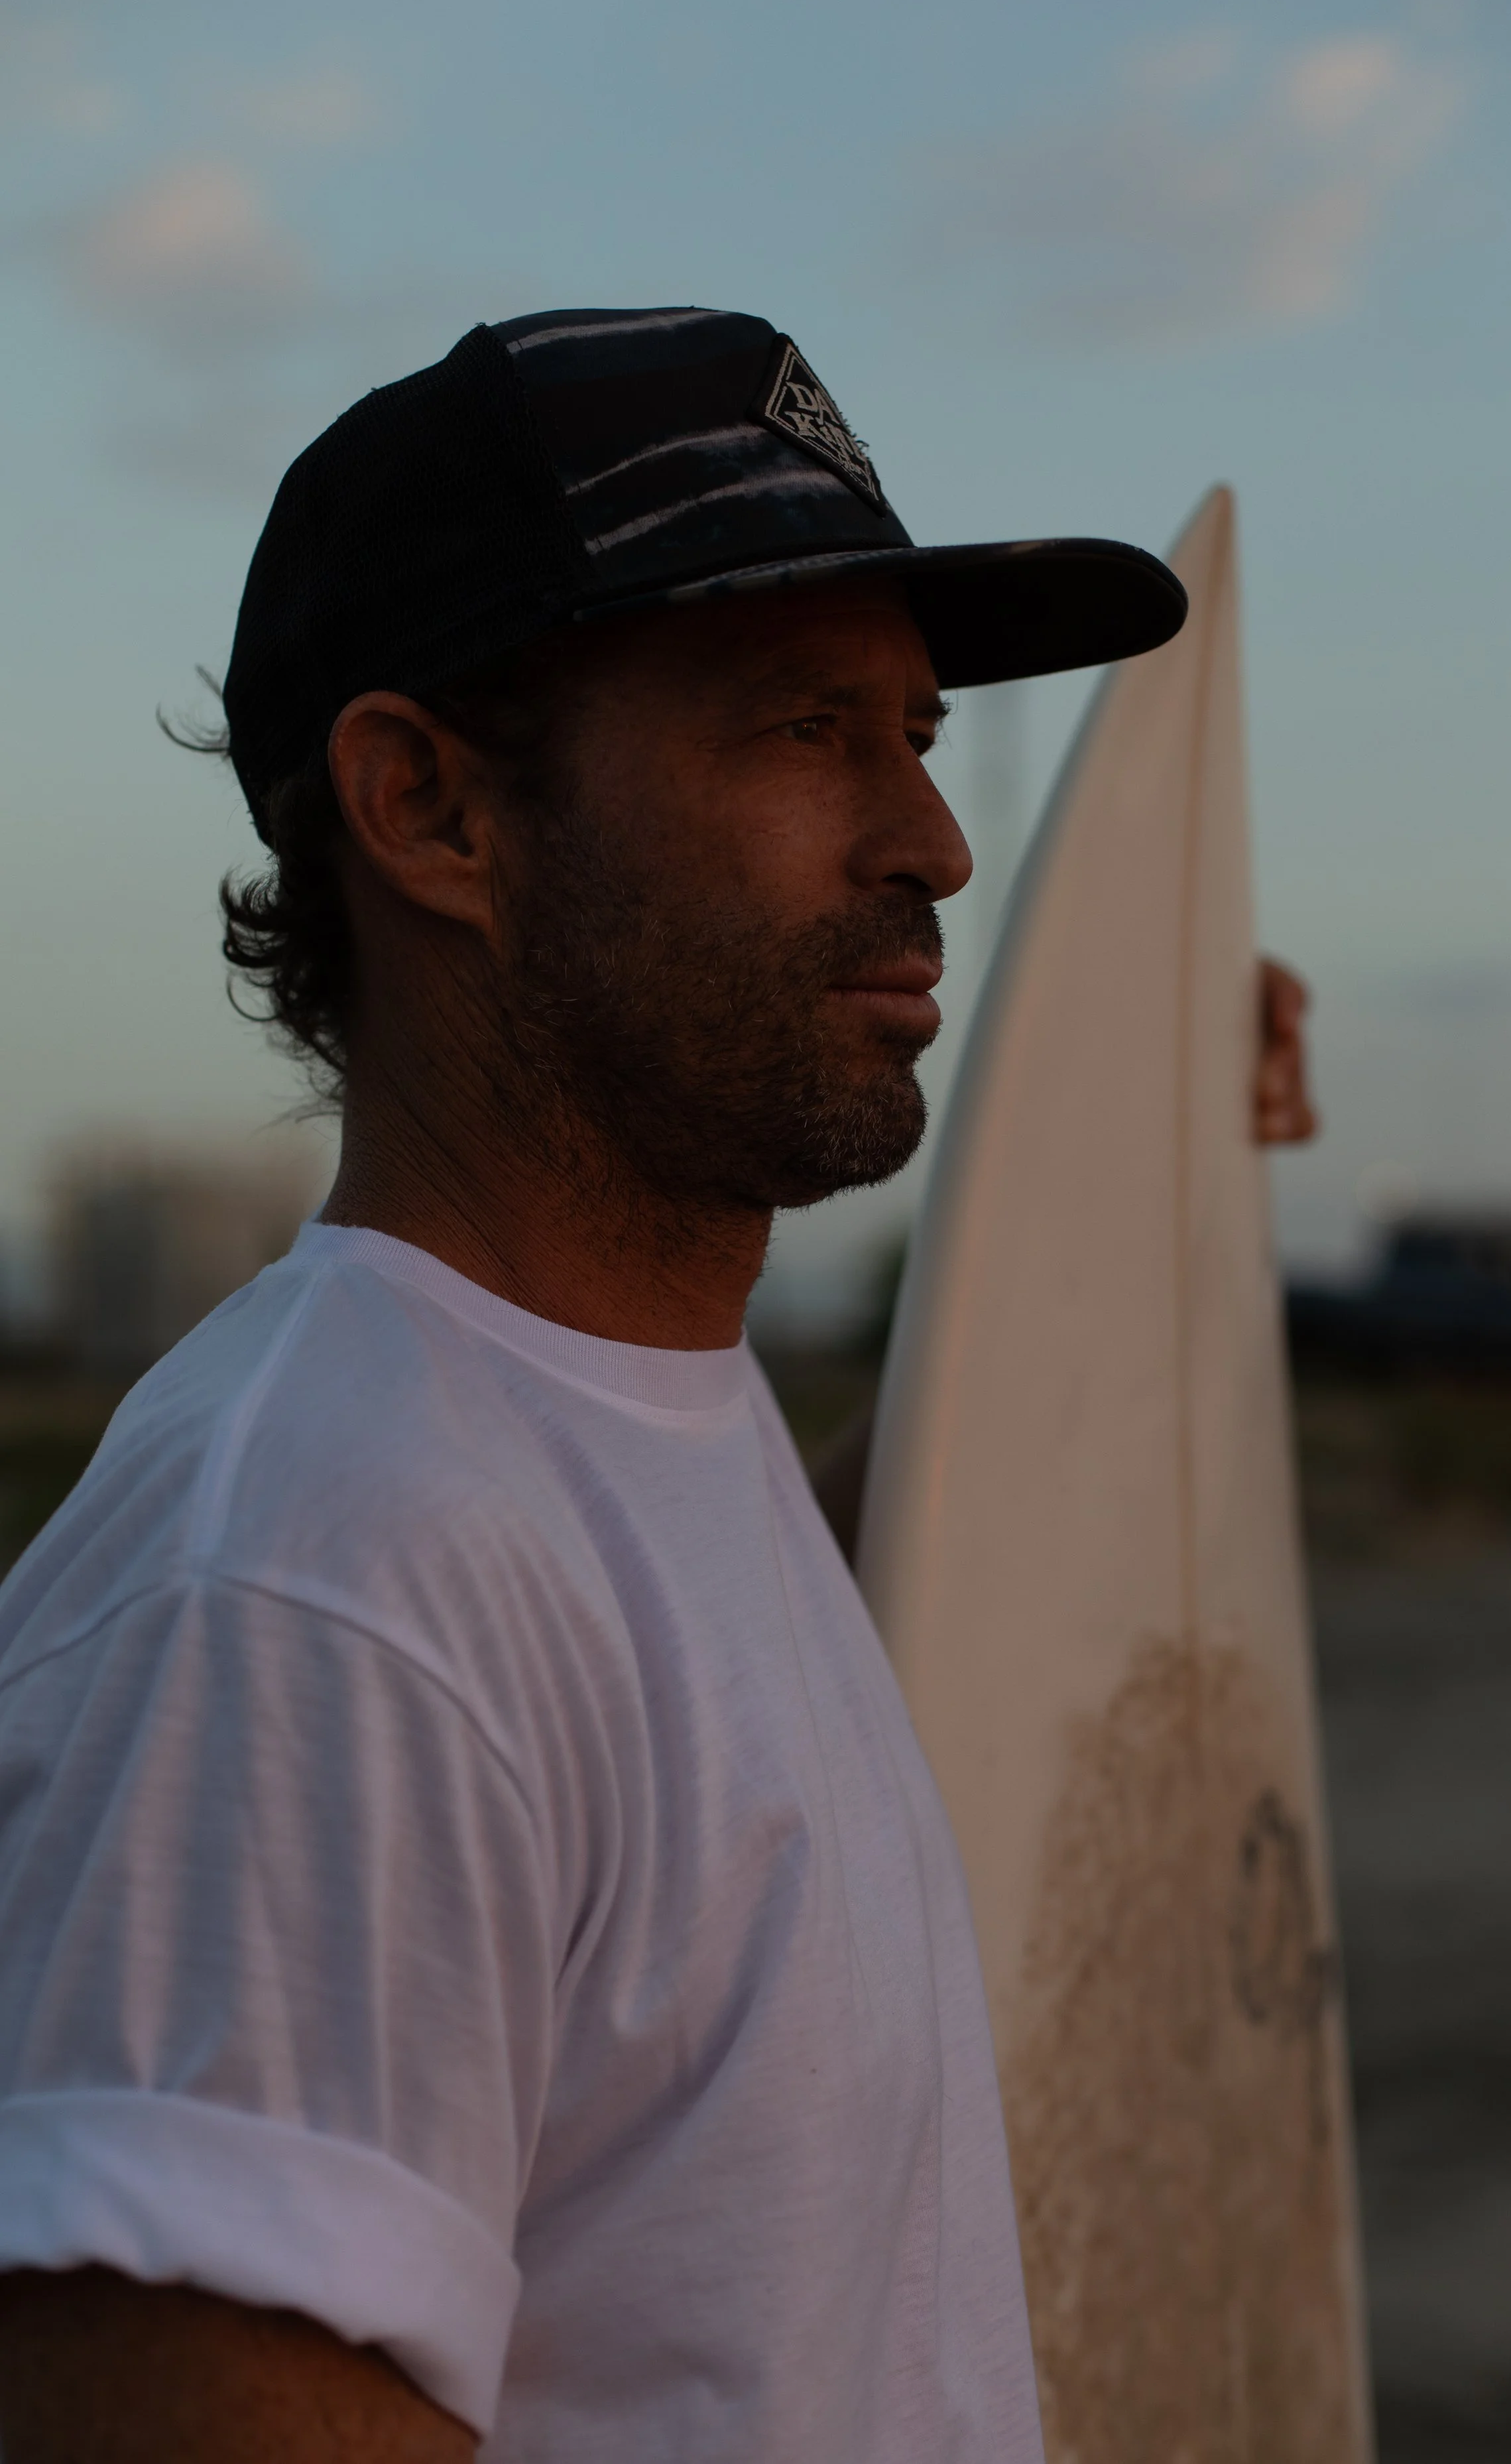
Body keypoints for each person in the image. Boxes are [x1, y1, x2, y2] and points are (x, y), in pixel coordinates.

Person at [0, 307, 1314, 2463]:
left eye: (914, 727)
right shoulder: (314, 1601)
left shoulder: (597, 1448)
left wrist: (1138, 1164)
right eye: (804, 726)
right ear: (429, 807)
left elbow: (738, 1682)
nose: (930, 838)